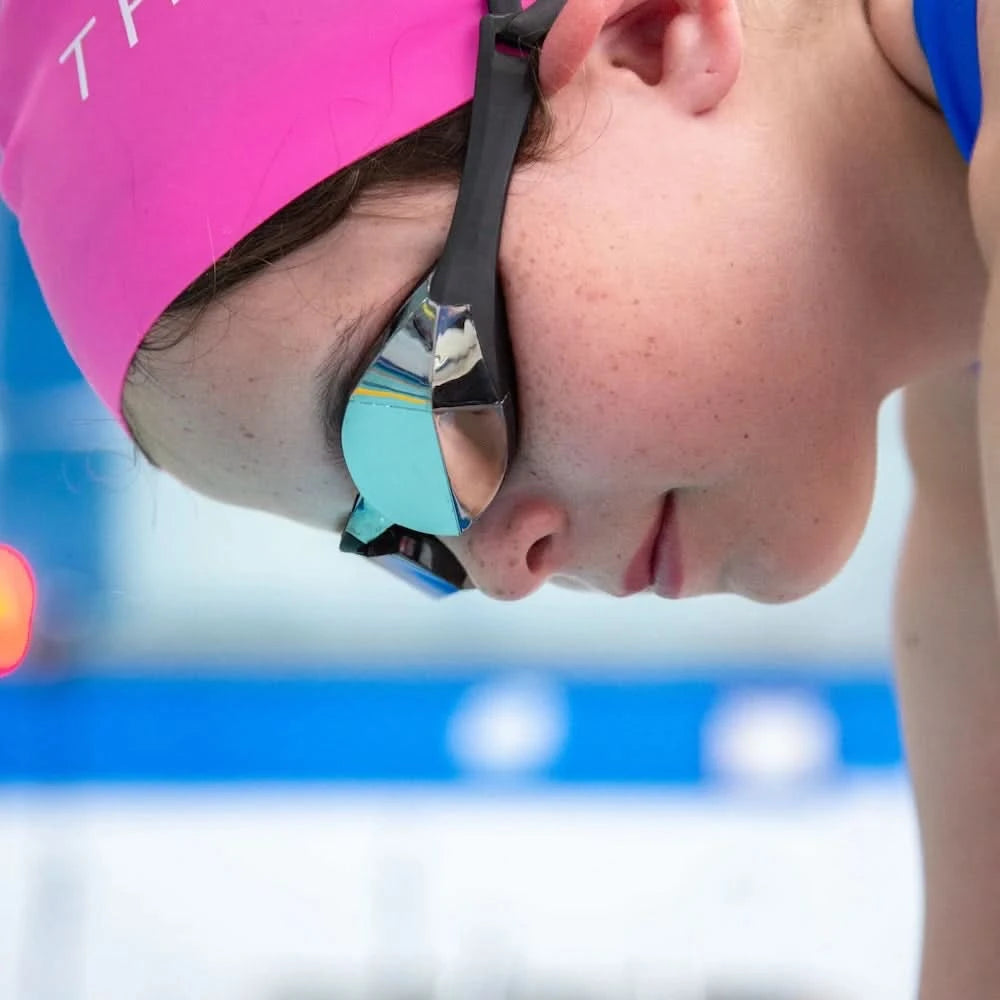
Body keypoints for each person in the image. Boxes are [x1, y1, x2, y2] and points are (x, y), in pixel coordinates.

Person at [3, 0, 1000, 993]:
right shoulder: (960, 451)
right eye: (398, 531)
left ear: (649, 37)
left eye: (414, 418)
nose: (506, 570)